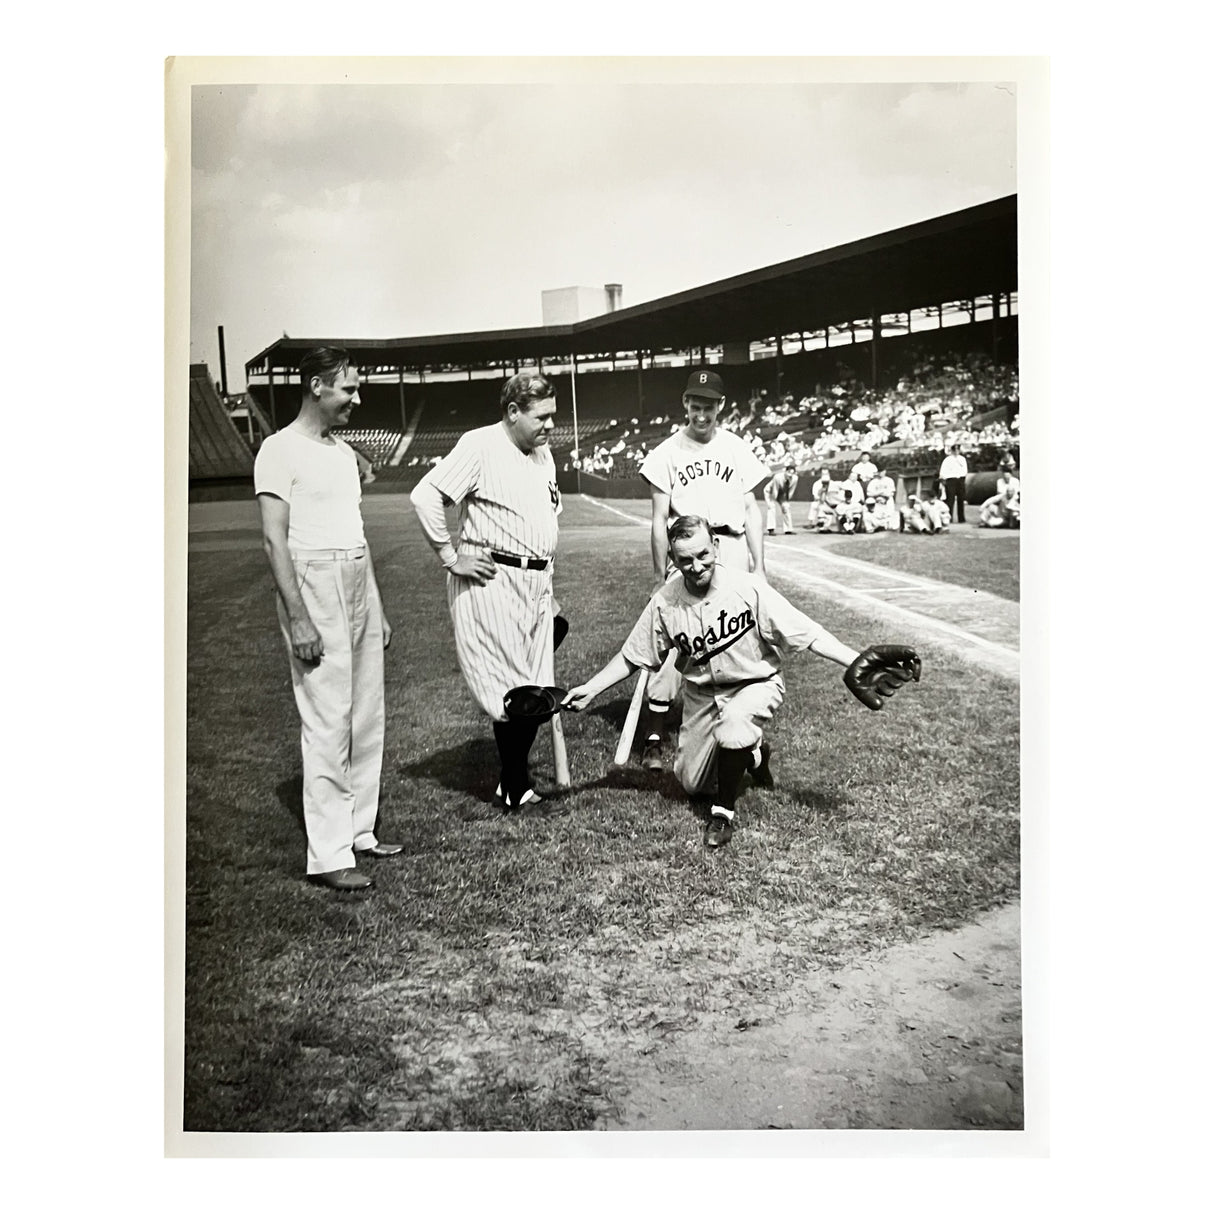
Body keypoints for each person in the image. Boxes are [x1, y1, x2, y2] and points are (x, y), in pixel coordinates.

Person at [562, 515, 912, 849]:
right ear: (672, 558)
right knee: (691, 783)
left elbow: (806, 632)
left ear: (715, 545)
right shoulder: (665, 602)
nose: (696, 566)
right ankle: (755, 756)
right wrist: (592, 688)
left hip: (756, 683)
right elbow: (632, 655)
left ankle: (723, 814)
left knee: (733, 726)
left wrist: (855, 660)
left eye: (703, 555)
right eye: (686, 560)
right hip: (702, 695)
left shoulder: (746, 587)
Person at [254, 347, 400, 892]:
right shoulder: (277, 449)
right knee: (326, 718)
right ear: (316, 386)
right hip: (313, 581)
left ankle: (360, 832)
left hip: (357, 575)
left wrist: (377, 608)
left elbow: (356, 531)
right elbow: (274, 539)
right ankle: (329, 854)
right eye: (348, 390)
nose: (356, 400)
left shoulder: (342, 453)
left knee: (366, 712)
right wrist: (300, 619)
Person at [410, 371, 562, 811]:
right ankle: (516, 787)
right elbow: (426, 497)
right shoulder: (479, 445)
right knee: (512, 691)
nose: (551, 426)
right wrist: (451, 557)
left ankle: (510, 782)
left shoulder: (541, 453)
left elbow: (547, 518)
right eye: (542, 417)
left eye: (554, 416)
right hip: (492, 579)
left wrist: (548, 587)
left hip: (534, 581)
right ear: (513, 412)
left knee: (534, 690)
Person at [635, 369, 771, 771]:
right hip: (690, 550)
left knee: (738, 640)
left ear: (720, 406)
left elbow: (751, 509)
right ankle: (657, 732)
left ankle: (746, 737)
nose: (701, 414)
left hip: (729, 547)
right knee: (676, 640)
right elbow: (660, 519)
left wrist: (759, 567)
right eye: (695, 405)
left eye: (708, 406)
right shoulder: (666, 453)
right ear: (685, 404)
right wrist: (659, 574)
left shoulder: (737, 448)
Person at [763, 457, 799, 535]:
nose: (790, 475)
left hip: (782, 493)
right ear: (785, 471)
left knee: (786, 507)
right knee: (771, 507)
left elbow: (791, 491)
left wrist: (786, 501)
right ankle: (771, 529)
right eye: (789, 473)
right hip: (770, 491)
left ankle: (788, 529)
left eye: (792, 473)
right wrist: (772, 501)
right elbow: (775, 490)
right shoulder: (777, 477)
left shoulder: (795, 479)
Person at [939, 443, 969, 524]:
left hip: (960, 479)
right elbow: (943, 471)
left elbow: (965, 470)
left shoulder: (962, 459)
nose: (956, 452)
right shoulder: (947, 460)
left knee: (961, 499)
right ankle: (949, 517)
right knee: (950, 500)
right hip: (950, 480)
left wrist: (962, 478)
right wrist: (943, 479)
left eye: (957, 450)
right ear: (952, 450)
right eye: (954, 450)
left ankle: (961, 518)